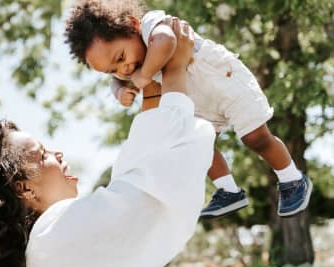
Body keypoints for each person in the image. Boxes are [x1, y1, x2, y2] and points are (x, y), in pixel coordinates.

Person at [0, 21, 214, 267]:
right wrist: (175, 70)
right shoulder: (55, 235)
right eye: (42, 154)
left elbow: (133, 177)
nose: (57, 154)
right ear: (24, 189)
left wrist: (151, 86)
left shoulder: (51, 244)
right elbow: (151, 199)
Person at [64, 0, 313, 219]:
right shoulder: (129, 67)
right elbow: (117, 80)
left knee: (254, 137)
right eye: (112, 69)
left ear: (132, 25)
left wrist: (145, 75)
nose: (124, 69)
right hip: (197, 101)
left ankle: (292, 179)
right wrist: (120, 90)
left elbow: (167, 41)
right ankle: (228, 190)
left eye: (120, 58)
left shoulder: (151, 25)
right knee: (197, 146)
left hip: (222, 79)